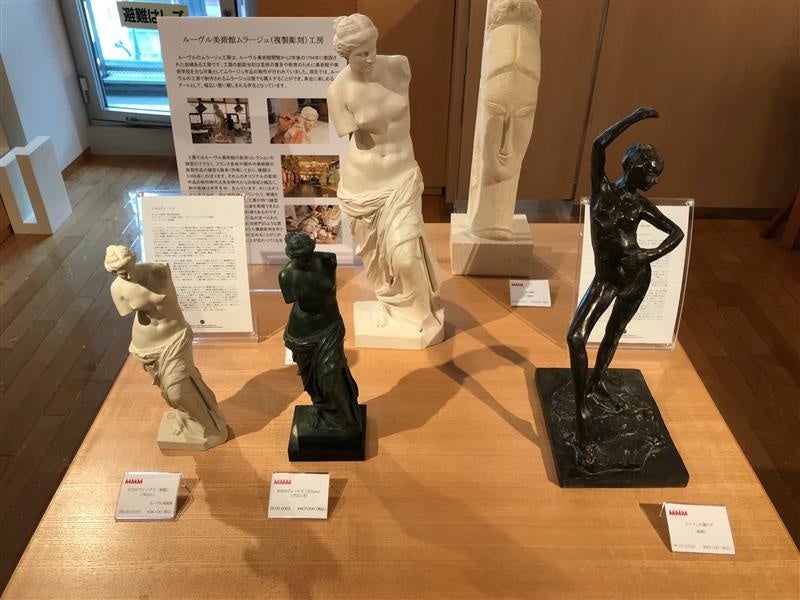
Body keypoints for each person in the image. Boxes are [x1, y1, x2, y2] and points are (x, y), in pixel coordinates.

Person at [567, 107, 684, 443]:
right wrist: (635, 117)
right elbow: (597, 146)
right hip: (606, 279)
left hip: (636, 278)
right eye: (651, 173)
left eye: (658, 175)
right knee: (576, 337)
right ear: (633, 168)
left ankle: (597, 382)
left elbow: (676, 233)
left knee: (614, 332)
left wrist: (647, 254)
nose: (655, 181)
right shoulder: (602, 189)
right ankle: (581, 408)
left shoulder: (641, 206)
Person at [327, 13, 443, 342]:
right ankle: (393, 304)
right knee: (379, 261)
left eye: (372, 49)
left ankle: (420, 314)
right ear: (345, 54)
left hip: (402, 178)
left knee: (405, 255)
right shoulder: (338, 91)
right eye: (361, 54)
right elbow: (350, 135)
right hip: (365, 187)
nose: (370, 58)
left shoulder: (399, 67)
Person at [105, 245, 227, 449]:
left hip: (175, 338)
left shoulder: (158, 271)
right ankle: (192, 419)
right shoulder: (117, 288)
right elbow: (129, 313)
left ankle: (210, 428)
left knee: (177, 390)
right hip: (145, 346)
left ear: (133, 259)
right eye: (120, 272)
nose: (127, 275)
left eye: (128, 268)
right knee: (169, 392)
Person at [279, 232, 361, 434]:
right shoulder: (287, 276)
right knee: (311, 378)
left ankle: (346, 418)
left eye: (308, 253)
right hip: (303, 333)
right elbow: (293, 301)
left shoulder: (328, 260)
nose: (306, 259)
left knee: (331, 373)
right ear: (292, 256)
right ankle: (323, 408)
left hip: (331, 326)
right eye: (300, 257)